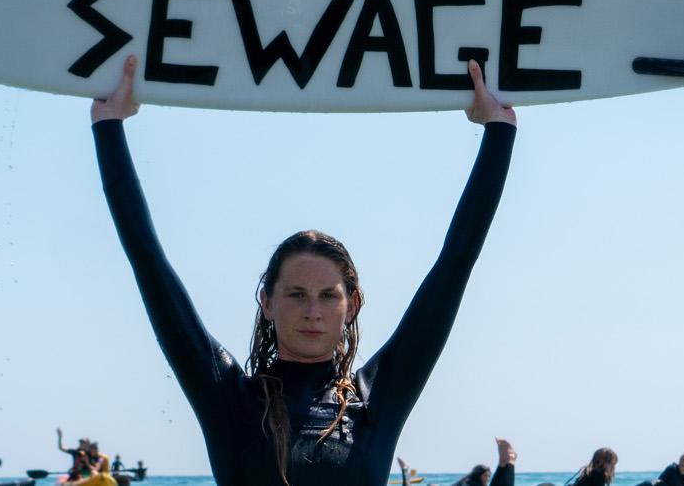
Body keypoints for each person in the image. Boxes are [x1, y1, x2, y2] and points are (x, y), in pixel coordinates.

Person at [89, 53, 518, 486]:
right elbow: (147, 260)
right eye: (296, 294)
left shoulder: (376, 401)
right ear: (268, 302)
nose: (313, 311)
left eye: (328, 296)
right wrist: (108, 125)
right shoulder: (230, 398)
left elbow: (456, 262)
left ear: (351, 306)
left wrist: (499, 131)